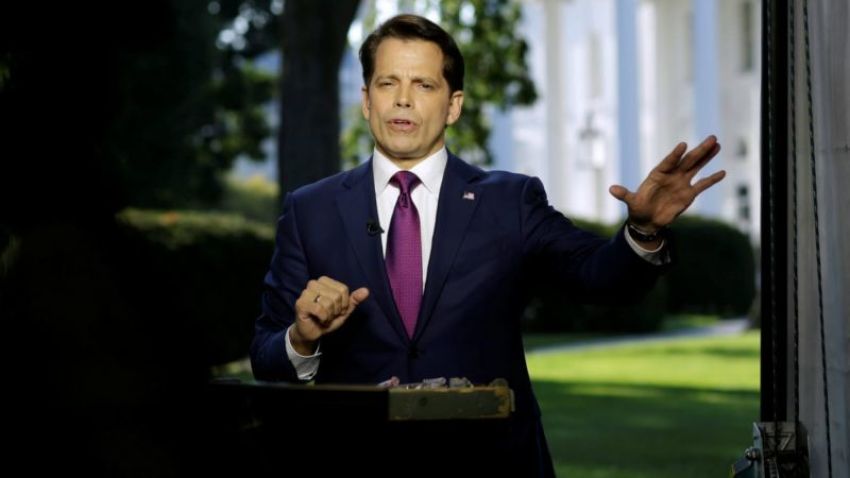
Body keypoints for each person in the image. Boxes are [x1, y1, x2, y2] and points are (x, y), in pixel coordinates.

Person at [250, 13, 724, 476]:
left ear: (453, 105)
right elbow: (266, 355)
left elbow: (601, 277)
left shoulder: (510, 201)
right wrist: (303, 338)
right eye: (387, 83)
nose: (403, 100)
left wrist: (642, 231)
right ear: (366, 100)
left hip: (490, 459)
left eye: (424, 85)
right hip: (356, 460)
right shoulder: (310, 210)